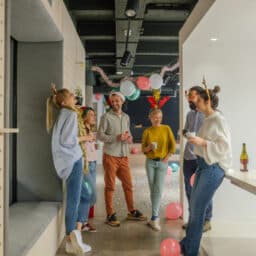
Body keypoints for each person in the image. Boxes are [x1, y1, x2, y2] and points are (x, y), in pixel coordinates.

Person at [180, 86, 232, 256]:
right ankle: (188, 244)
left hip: (213, 168)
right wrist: (196, 141)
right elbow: (205, 141)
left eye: (199, 101)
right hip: (203, 166)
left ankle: (191, 251)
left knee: (197, 211)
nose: (195, 103)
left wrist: (202, 142)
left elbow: (224, 147)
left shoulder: (218, 119)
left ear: (207, 101)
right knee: (194, 209)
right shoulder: (207, 118)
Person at [46, 86, 91, 255]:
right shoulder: (70, 114)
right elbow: (69, 140)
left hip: (67, 161)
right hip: (74, 160)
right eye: (71, 96)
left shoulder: (63, 114)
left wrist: (57, 94)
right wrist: (85, 138)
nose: (75, 97)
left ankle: (74, 236)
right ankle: (70, 240)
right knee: (74, 200)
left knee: (85, 196)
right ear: (65, 102)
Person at [97, 91, 147, 227]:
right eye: (112, 101)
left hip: (124, 156)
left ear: (122, 101)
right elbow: (100, 135)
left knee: (128, 185)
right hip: (110, 156)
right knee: (110, 186)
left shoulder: (126, 117)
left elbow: (128, 133)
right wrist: (116, 138)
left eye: (117, 100)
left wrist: (129, 138)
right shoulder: (106, 117)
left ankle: (131, 211)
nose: (114, 103)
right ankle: (109, 214)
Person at [182, 86, 212, 232]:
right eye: (189, 96)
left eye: (192, 96)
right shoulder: (189, 114)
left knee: (204, 190)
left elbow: (210, 138)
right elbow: (186, 131)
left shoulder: (208, 115)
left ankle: (206, 220)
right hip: (188, 156)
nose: (189, 98)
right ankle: (193, 220)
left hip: (202, 157)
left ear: (200, 97)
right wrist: (185, 133)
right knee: (189, 190)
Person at [141, 108, 176, 231]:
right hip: (150, 163)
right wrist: (149, 147)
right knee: (153, 189)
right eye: (155, 117)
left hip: (162, 163)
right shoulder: (147, 132)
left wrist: (167, 157)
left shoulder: (166, 129)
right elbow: (143, 150)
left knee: (158, 189)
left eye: (160, 117)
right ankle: (153, 218)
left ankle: (155, 217)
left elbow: (173, 146)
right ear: (150, 117)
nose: (158, 119)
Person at [80, 106, 97, 232]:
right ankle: (81, 221)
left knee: (88, 194)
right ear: (84, 116)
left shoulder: (90, 129)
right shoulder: (81, 130)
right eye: (91, 114)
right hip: (84, 166)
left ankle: (83, 222)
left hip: (93, 164)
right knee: (92, 196)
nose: (93, 117)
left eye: (94, 114)